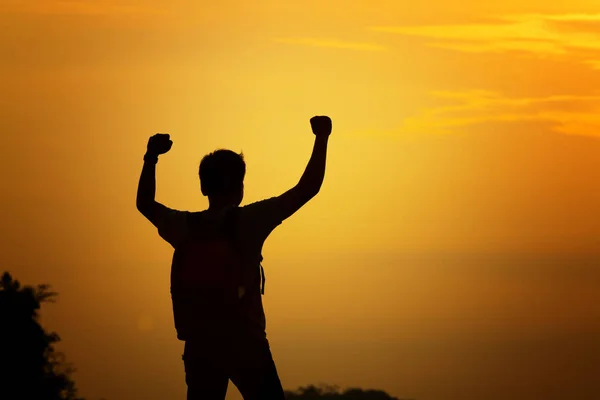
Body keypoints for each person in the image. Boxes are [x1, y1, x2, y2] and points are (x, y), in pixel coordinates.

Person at [136, 116, 333, 399]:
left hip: (200, 345)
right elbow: (308, 188)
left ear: (204, 187)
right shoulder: (251, 221)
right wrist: (322, 137)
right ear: (240, 187)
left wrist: (151, 158)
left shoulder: (185, 227)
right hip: (246, 344)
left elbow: (144, 203)